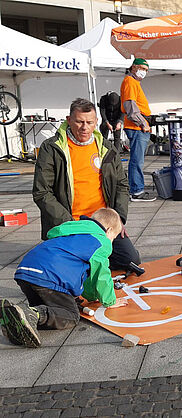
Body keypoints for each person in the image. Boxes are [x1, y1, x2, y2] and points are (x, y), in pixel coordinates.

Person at [33, 98, 141, 272]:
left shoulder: (107, 148)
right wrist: (68, 223)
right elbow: (41, 192)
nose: (84, 127)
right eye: (79, 121)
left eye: (89, 122)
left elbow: (121, 184)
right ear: (68, 120)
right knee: (65, 269)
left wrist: (118, 219)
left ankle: (89, 263)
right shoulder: (52, 148)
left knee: (130, 260)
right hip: (69, 222)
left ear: (96, 122)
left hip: (102, 223)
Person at [0, 208, 128, 348]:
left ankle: (18, 315)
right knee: (70, 316)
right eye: (114, 237)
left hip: (25, 272)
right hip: (48, 277)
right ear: (109, 230)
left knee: (49, 309)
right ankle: (32, 313)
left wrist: (90, 296)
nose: (112, 240)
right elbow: (100, 275)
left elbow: (79, 271)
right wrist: (109, 300)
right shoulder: (101, 241)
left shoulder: (72, 228)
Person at [120, 57, 156, 202]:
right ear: (134, 67)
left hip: (138, 126)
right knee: (137, 160)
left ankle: (136, 189)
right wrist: (143, 124)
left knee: (137, 159)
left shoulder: (133, 82)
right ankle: (136, 191)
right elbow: (131, 107)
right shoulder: (130, 81)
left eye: (146, 70)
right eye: (142, 69)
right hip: (136, 126)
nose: (144, 72)